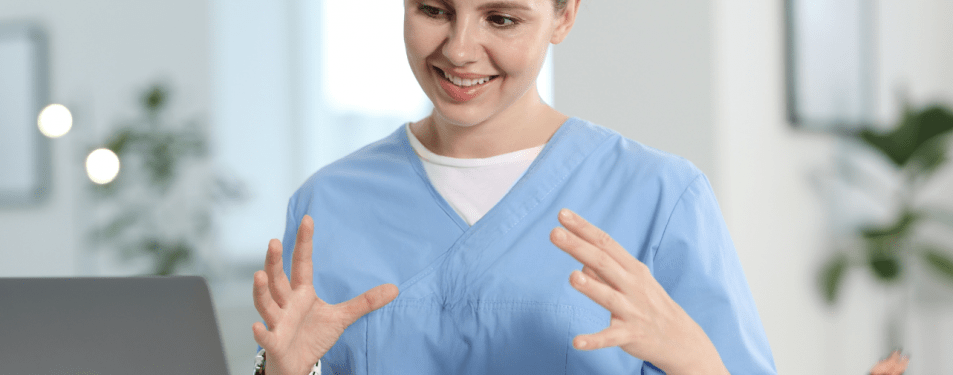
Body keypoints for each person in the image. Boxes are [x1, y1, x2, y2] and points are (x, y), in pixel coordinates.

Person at [251, 0, 777, 374]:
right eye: (433, 10)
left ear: (564, 15)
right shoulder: (328, 203)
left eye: (501, 19)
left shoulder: (658, 196)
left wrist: (695, 362)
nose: (459, 50)